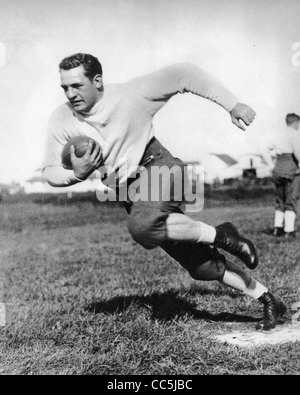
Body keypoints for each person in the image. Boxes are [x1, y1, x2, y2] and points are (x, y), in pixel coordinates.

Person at [43, 53, 286, 330]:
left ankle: (222, 235)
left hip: (158, 167)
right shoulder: (61, 118)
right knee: (201, 265)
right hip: (127, 191)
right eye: (64, 87)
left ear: (97, 80)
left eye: (77, 85)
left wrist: (232, 104)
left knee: (143, 227)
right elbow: (50, 171)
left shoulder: (130, 94)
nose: (70, 94)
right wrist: (76, 173)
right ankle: (268, 299)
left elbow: (184, 73)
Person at [264, 114, 300, 238]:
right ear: (296, 123)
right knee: (291, 199)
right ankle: (288, 230)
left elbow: (263, 149)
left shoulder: (278, 135)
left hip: (278, 167)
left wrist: (270, 165)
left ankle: (277, 228)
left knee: (280, 200)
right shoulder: (295, 134)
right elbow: (298, 152)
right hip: (291, 167)